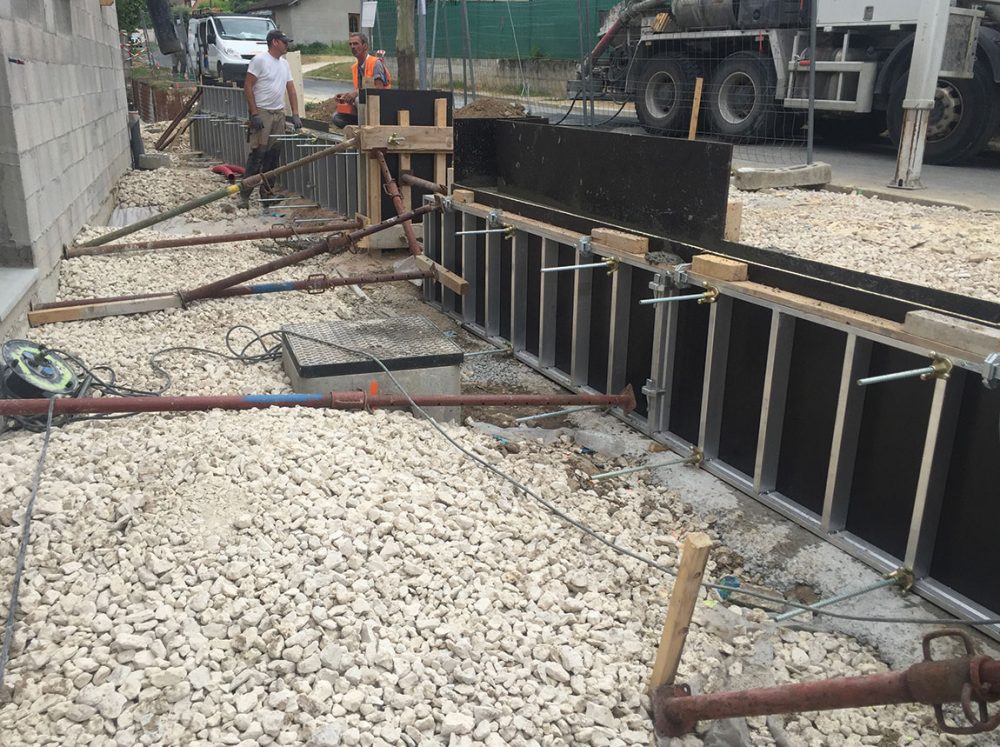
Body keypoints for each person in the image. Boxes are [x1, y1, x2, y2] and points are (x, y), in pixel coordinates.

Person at [239, 29, 302, 209]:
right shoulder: (260, 60)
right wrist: (255, 113)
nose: (287, 45)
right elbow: (248, 86)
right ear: (274, 42)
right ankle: (244, 196)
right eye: (284, 42)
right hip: (263, 112)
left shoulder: (284, 64)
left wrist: (295, 114)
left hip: (278, 114)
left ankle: (267, 195)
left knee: (273, 157)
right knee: (258, 155)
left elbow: (291, 89)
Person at [331, 32, 391, 129]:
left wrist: (356, 94)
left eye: (356, 44)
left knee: (360, 100)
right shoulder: (355, 68)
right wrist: (345, 96)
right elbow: (358, 90)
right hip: (363, 107)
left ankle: (364, 132)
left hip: (380, 106)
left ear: (365, 46)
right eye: (350, 44)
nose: (352, 47)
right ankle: (358, 129)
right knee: (337, 117)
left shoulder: (375, 63)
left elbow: (379, 89)